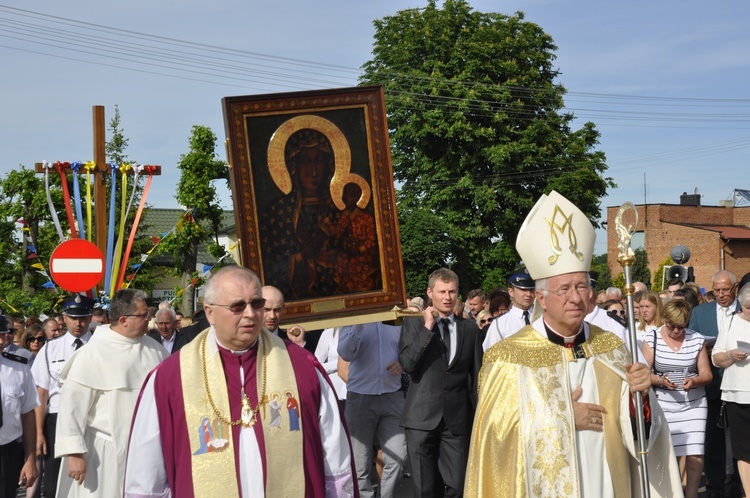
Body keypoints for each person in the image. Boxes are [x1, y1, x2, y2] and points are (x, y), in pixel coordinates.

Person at [465, 190, 681, 497]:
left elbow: (641, 438)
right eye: (564, 288)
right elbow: (495, 439)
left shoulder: (612, 347)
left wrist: (642, 396)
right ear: (541, 297)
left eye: (582, 286)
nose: (575, 297)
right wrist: (563, 418)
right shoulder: (507, 356)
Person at [123, 266, 356, 497]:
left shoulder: (302, 367)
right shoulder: (170, 378)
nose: (250, 314)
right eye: (237, 306)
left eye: (256, 304)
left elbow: (336, 457)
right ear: (209, 312)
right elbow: (146, 473)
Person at [54, 289, 167, 497]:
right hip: (102, 452)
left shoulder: (155, 349)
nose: (149, 320)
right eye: (144, 315)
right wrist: (74, 453)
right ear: (124, 319)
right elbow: (72, 408)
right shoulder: (92, 354)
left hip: (146, 450)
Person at [399, 268, 483, 497]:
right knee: (426, 490)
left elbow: (476, 377)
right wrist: (427, 328)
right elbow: (408, 364)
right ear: (430, 293)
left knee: (458, 486)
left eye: (452, 292)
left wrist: (479, 417)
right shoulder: (414, 325)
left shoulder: (470, 329)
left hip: (456, 421)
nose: (447, 297)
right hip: (421, 418)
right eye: (442, 291)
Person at [260, 128, 345, 300]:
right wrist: (300, 257)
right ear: (293, 167)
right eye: (305, 161)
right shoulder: (277, 212)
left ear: (329, 165)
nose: (313, 171)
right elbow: (269, 269)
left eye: (319, 161)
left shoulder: (340, 211)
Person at [642, 299, 712, 498]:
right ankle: (670, 493)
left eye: (681, 326)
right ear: (664, 319)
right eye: (672, 326)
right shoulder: (652, 337)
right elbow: (643, 373)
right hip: (664, 403)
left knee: (696, 452)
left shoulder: (696, 339)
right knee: (666, 451)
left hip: (694, 404)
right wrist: (659, 380)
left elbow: (707, 374)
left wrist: (694, 381)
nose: (676, 331)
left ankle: (691, 495)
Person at [31, 295, 95, 497]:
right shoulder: (50, 348)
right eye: (74, 318)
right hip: (56, 420)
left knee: (90, 483)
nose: (79, 323)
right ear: (64, 318)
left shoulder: (99, 346)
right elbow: (41, 393)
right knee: (53, 485)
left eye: (84, 318)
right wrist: (39, 433)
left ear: (90, 317)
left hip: (92, 420)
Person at [338, 322, 407, 498]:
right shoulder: (352, 320)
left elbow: (407, 351)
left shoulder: (394, 318)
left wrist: (402, 363)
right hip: (360, 397)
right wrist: (358, 325)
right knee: (359, 464)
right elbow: (345, 353)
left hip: (392, 395)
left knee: (399, 457)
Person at [689, 269, 740, 498]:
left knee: (741, 437)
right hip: (711, 384)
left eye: (725, 290)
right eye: (717, 290)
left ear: (735, 289)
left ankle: (740, 486)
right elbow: (690, 342)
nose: (721, 294)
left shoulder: (745, 310)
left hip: (740, 384)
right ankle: (715, 487)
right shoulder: (701, 312)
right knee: (713, 438)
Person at [712, 282, 750, 497]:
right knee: (743, 449)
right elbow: (716, 357)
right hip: (737, 393)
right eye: (747, 307)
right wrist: (730, 355)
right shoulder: (730, 322)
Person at [0, 316, 39, 496]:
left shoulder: (19, 368)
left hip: (7, 451)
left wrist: (30, 459)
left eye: (4, 334)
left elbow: (28, 413)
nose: (1, 340)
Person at [482, 267, 536, 350]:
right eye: (523, 289)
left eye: (531, 290)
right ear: (511, 292)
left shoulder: (545, 319)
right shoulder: (500, 324)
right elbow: (491, 355)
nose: (528, 294)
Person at [261, 285, 317, 353]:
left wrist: (299, 344)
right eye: (266, 310)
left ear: (283, 309)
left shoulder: (291, 341)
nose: (272, 316)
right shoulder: (246, 341)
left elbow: (310, 362)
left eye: (277, 310)